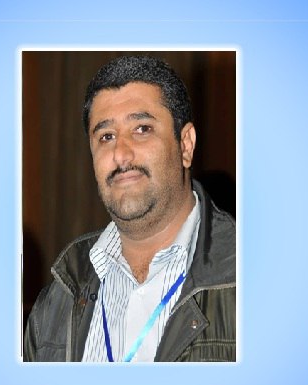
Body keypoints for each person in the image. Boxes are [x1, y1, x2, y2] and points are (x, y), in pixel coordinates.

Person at [23, 55, 236, 362]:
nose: (121, 154)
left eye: (142, 129)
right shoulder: (60, 296)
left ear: (185, 145)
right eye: (106, 136)